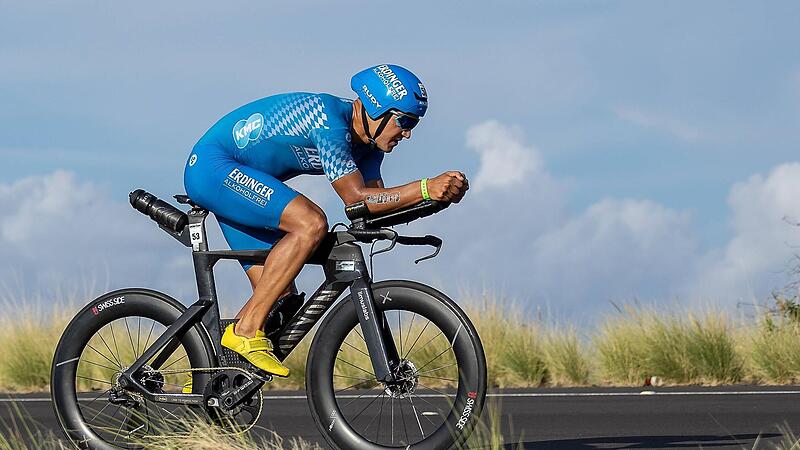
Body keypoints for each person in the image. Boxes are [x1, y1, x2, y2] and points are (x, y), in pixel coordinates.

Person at [183, 64, 469, 377]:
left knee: (280, 300)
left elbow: (374, 208)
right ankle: (245, 331)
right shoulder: (330, 122)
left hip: (242, 178)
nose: (409, 132)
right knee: (310, 223)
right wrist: (426, 186)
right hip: (214, 168)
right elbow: (356, 198)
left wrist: (435, 199)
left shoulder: (369, 149)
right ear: (377, 109)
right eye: (405, 120)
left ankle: (212, 378)